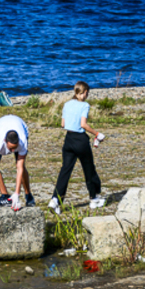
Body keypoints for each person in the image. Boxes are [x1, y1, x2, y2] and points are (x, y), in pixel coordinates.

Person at [47, 81, 106, 214]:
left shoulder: (67, 104)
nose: (87, 95)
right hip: (80, 140)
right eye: (87, 93)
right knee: (88, 169)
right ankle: (93, 198)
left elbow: (63, 124)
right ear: (84, 92)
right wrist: (97, 134)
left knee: (65, 171)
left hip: (68, 140)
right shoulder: (85, 105)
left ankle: (55, 199)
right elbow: (83, 124)